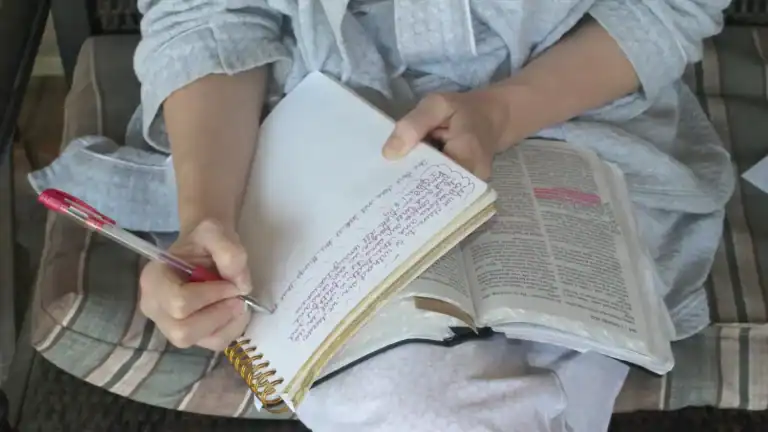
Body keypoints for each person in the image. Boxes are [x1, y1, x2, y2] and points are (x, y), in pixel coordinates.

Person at [30, 0, 735, 431]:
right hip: (315, 140)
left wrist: (501, 113)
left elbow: (662, 8)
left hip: (566, 120)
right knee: (416, 405)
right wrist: (204, 217)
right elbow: (209, 18)